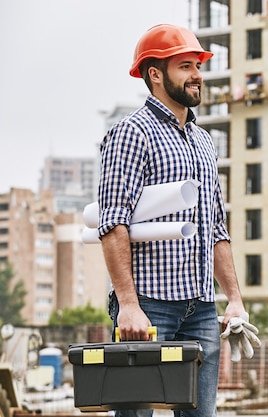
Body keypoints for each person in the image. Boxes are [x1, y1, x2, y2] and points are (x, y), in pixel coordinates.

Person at [97, 23, 248, 417]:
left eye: (197, 65)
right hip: (149, 308)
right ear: (155, 74)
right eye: (186, 65)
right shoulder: (131, 134)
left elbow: (216, 227)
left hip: (199, 307)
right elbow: (113, 225)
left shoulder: (203, 142)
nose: (198, 75)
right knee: (136, 414)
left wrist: (234, 299)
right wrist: (128, 305)